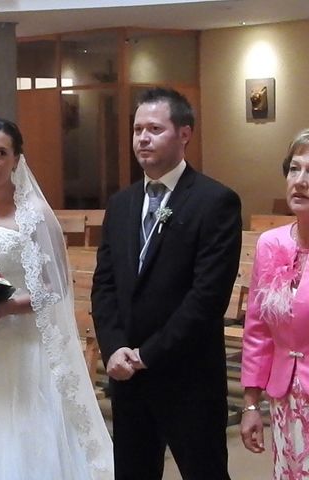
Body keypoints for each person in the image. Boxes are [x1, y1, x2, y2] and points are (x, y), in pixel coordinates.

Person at [0, 117, 114, 480]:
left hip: (20, 341)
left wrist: (5, 308)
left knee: (18, 433)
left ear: (17, 158)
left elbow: (56, 288)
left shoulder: (35, 214)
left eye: (1, 153)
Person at [92, 87, 242, 480]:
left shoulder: (215, 201)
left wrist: (147, 354)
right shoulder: (121, 204)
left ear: (184, 134)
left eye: (155, 128)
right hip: (127, 376)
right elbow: (104, 285)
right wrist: (114, 348)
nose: (142, 138)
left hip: (187, 377)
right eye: (138, 129)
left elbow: (206, 298)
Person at [241, 128, 309, 478]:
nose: (300, 181)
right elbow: (257, 332)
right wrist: (250, 404)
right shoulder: (271, 244)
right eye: (294, 169)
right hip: (283, 397)